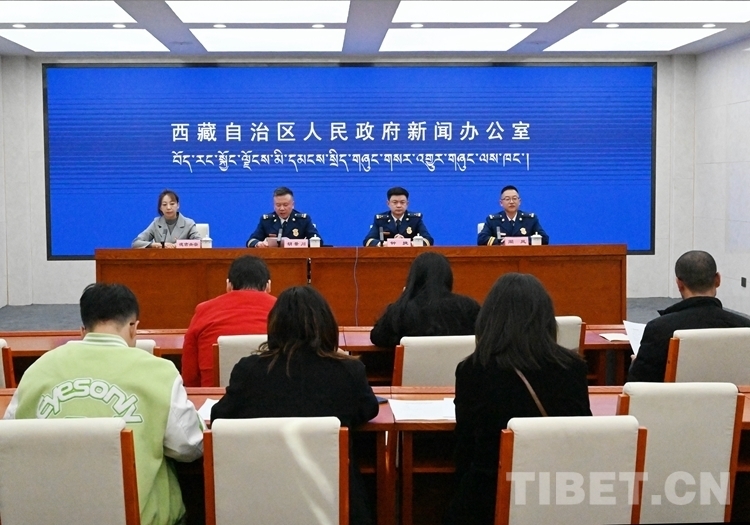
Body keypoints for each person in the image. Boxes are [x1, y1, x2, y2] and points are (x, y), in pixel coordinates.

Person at [3, 283, 203, 525]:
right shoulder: (160, 372)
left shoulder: (38, 369)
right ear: (134, 328)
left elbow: (9, 442)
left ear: (82, 330)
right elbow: (189, 447)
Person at [211, 285, 379, 525]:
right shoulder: (348, 371)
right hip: (333, 504)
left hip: (258, 502)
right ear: (326, 325)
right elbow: (369, 408)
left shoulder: (249, 371)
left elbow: (219, 417)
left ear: (274, 326)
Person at [443, 273, 591, 525]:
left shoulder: (473, 369)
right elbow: (581, 434)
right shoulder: (573, 367)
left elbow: (465, 443)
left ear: (489, 318)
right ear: (546, 318)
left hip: (489, 495)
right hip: (559, 492)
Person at [628, 250, 750, 382]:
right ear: (718, 280)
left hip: (674, 396)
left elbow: (640, 383)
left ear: (679, 284)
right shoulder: (744, 327)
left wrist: (635, 363)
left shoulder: (659, 329)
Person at [182, 255, 277, 387]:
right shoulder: (282, 308)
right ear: (268, 286)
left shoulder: (204, 310)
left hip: (213, 396)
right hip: (273, 394)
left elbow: (190, 375)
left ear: (228, 285)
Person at [370, 252, 480, 348]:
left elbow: (378, 338)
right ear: (448, 277)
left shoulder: (401, 311)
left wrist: (403, 298)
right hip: (457, 366)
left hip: (413, 367)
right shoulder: (468, 307)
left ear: (414, 278)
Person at [246, 187, 321, 247]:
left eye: (285, 205)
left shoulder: (303, 220)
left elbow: (318, 241)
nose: (281, 208)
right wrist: (258, 244)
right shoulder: (266, 221)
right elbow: (251, 241)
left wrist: (296, 244)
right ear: (274, 205)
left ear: (293, 205)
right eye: (278, 205)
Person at [477, 185, 548, 246]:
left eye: (514, 198)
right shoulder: (493, 221)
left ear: (519, 201)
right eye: (507, 199)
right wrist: (501, 242)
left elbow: (544, 238)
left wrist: (522, 241)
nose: (511, 202)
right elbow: (481, 239)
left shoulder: (530, 219)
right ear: (501, 203)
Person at [363, 187, 434, 246]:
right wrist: (385, 244)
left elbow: (428, 240)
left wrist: (409, 243)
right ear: (388, 203)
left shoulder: (415, 219)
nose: (399, 205)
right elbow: (368, 241)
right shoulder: (381, 220)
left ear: (407, 204)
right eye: (395, 202)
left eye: (402, 202)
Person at [132, 189, 201, 248]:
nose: (168, 207)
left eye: (172, 204)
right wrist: (156, 245)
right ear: (160, 208)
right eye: (164, 204)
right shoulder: (156, 223)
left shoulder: (189, 224)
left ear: (178, 205)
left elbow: (199, 242)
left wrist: (178, 245)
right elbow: (136, 243)